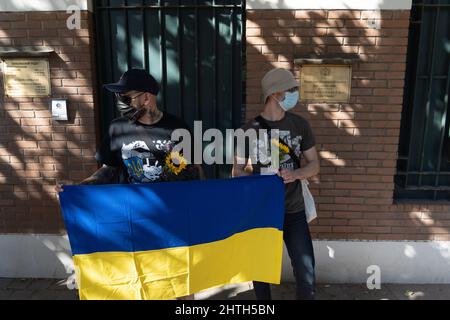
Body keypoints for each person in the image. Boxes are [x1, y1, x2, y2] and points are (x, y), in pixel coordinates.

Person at [56, 68, 202, 299]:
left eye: (126, 97)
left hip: (171, 220)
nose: (121, 103)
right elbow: (108, 169)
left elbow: (195, 173)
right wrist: (80, 188)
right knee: (139, 280)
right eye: (118, 97)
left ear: (147, 97)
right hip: (134, 219)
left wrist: (184, 173)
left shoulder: (178, 128)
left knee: (180, 282)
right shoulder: (117, 128)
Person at [232, 68, 320, 300]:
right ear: (274, 94)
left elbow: (314, 165)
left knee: (306, 271)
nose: (294, 94)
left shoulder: (300, 125)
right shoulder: (247, 131)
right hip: (262, 211)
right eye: (290, 90)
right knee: (261, 271)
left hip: (294, 209)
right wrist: (258, 181)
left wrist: (296, 174)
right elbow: (237, 171)